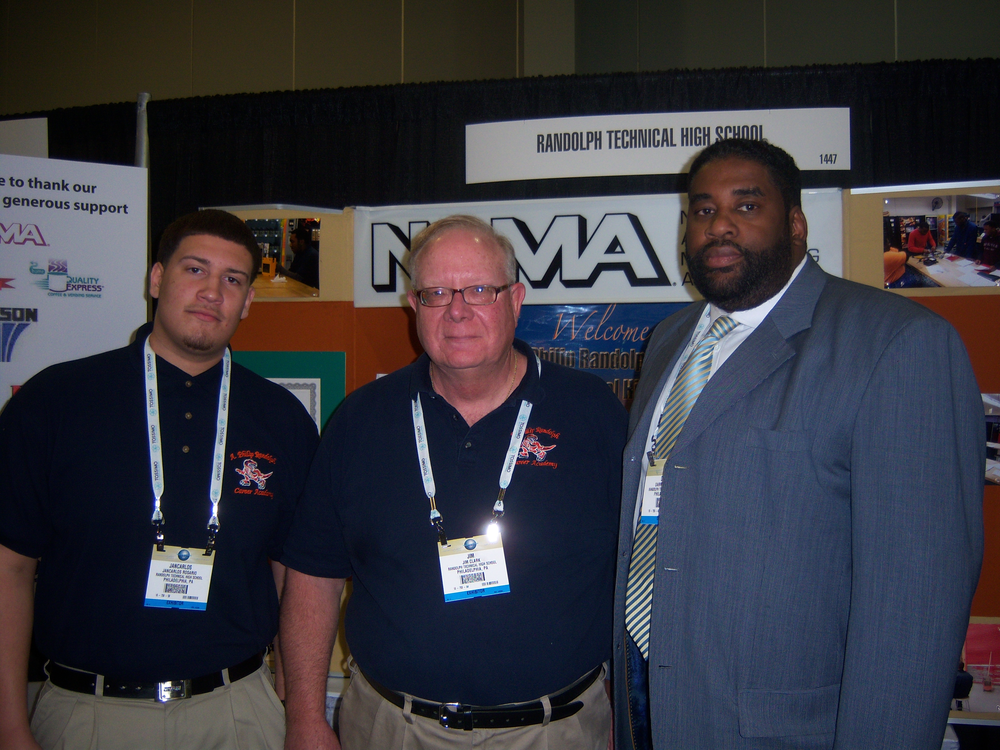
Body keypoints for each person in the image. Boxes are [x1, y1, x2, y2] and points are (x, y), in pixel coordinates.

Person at [613, 139, 984, 750]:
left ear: (795, 224)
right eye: (702, 210)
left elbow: (916, 601)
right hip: (649, 700)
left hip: (781, 728)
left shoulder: (896, 343)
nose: (719, 225)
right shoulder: (670, 339)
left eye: (747, 205)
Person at [279, 215, 627, 750]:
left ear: (516, 300)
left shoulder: (592, 413)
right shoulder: (360, 420)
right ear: (413, 306)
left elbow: (636, 571)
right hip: (391, 729)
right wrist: (304, 717)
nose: (457, 310)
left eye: (480, 290)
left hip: (555, 730)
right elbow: (313, 576)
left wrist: (621, 710)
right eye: (436, 293)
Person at [0, 209, 319, 750]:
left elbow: (294, 573)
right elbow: (9, 568)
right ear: (156, 279)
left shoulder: (281, 418)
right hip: (89, 714)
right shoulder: (56, 401)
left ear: (247, 302)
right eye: (195, 269)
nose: (212, 291)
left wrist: (293, 704)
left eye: (232, 279)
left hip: (238, 713)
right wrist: (10, 727)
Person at [277, 224, 320, 289]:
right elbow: (291, 272)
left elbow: (298, 278)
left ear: (301, 242)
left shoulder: (311, 255)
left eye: (292, 242)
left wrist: (279, 268)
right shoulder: (300, 253)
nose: (290, 245)